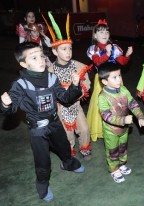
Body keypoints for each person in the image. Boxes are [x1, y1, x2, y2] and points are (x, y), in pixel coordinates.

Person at [0, 42, 85, 202]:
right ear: (23, 63)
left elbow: (65, 99)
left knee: (65, 147)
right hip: (37, 131)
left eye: (42, 56)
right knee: (42, 161)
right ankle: (42, 184)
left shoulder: (52, 78)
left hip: (55, 122)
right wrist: (5, 104)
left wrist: (74, 86)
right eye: (34, 57)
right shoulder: (20, 85)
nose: (41, 60)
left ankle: (68, 164)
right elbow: (10, 111)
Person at [44, 12, 92, 160]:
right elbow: (46, 91)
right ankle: (69, 150)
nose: (68, 52)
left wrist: (80, 90)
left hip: (76, 105)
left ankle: (85, 148)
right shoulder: (50, 71)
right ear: (54, 51)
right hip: (60, 108)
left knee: (84, 128)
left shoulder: (79, 66)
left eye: (70, 49)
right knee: (66, 133)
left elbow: (87, 84)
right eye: (63, 49)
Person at [98, 62, 144, 183]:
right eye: (114, 77)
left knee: (123, 147)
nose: (119, 79)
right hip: (111, 131)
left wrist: (140, 116)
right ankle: (114, 169)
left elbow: (132, 103)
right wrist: (123, 120)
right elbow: (106, 116)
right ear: (104, 81)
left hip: (124, 129)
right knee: (113, 150)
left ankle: (122, 164)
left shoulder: (123, 89)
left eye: (119, 75)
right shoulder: (103, 96)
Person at [87, 19, 133, 142]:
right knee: (102, 104)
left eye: (106, 32)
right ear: (95, 35)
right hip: (102, 81)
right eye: (101, 32)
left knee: (117, 102)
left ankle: (117, 125)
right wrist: (107, 53)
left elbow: (122, 62)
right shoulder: (94, 49)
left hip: (116, 78)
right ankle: (100, 130)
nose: (104, 34)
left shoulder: (114, 47)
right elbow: (97, 62)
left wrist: (127, 55)